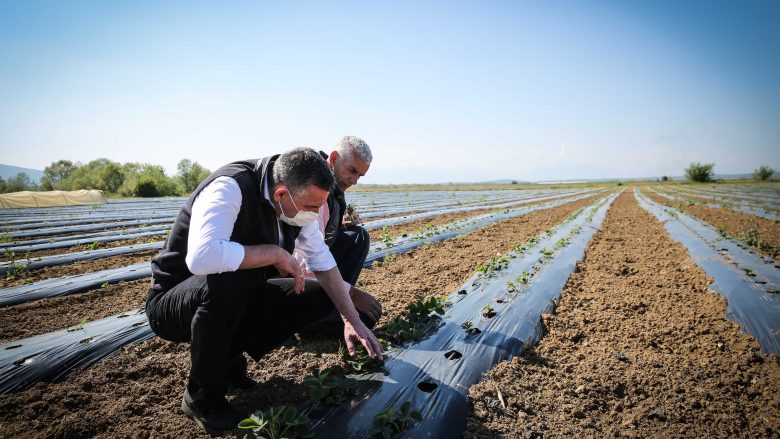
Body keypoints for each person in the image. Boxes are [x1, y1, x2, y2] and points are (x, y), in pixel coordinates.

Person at [145, 147, 383, 435]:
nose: (314, 215)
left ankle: (228, 358)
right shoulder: (230, 187)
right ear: (282, 194)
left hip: (234, 293)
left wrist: (352, 320)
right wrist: (274, 253)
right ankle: (202, 395)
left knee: (319, 295)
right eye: (310, 208)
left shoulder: (296, 209)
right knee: (230, 281)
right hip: (174, 300)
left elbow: (322, 262)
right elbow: (201, 258)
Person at [294, 136, 381, 336]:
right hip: (291, 277)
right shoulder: (314, 191)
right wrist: (351, 292)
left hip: (312, 264)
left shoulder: (332, 187)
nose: (354, 180)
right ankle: (305, 321)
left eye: (360, 175)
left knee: (357, 237)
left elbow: (318, 234)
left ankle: (332, 306)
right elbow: (304, 263)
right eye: (351, 171)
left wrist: (339, 226)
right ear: (333, 159)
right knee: (366, 318)